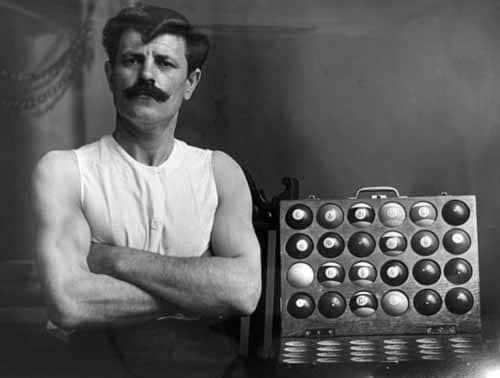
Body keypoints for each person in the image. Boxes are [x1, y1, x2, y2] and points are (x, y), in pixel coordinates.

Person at [32, 4, 261, 377]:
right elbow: (69, 302)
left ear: (191, 83)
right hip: (90, 368)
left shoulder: (220, 172)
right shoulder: (64, 171)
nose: (147, 75)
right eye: (132, 60)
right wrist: (200, 294)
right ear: (110, 74)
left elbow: (245, 291)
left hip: (203, 367)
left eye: (165, 64)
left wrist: (113, 260)